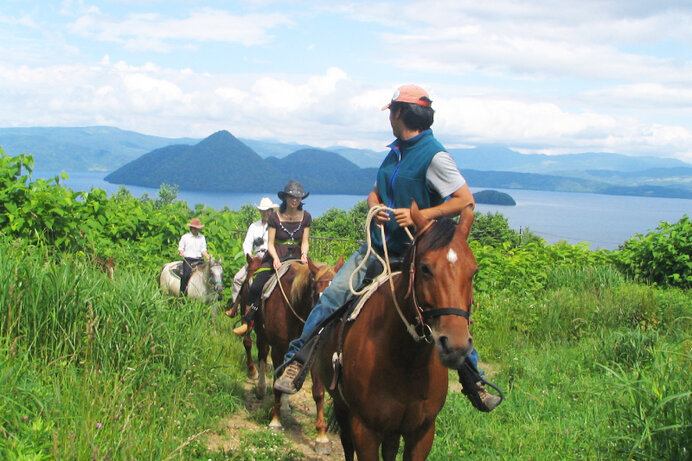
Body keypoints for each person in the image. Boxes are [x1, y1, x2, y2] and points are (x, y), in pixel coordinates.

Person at [273, 84, 501, 412]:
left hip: (415, 255)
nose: (389, 118)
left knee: (448, 310)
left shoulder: (434, 155)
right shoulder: (396, 151)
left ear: (398, 113)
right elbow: (376, 193)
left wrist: (419, 215)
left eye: (390, 112)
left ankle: (473, 378)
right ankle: (298, 359)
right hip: (377, 249)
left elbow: (465, 201)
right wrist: (374, 206)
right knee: (332, 296)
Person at [233, 180, 312, 336]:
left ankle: (316, 324)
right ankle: (248, 320)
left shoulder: (306, 217)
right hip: (277, 254)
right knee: (256, 285)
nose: (294, 200)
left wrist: (304, 254)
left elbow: (305, 241)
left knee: (315, 283)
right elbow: (270, 243)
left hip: (297, 256)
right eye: (291, 197)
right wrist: (275, 258)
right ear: (285, 198)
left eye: (297, 197)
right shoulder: (275, 217)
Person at [226, 197, 280, 317]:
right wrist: (248, 255)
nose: (265, 213)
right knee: (238, 278)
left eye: (268, 211)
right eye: (263, 211)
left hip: (271, 257)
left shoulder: (277, 226)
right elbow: (247, 243)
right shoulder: (253, 226)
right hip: (256, 257)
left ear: (272, 211)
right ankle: (236, 306)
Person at [178, 217, 211, 295]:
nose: (196, 230)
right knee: (186, 275)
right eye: (194, 228)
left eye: (197, 228)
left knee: (209, 273)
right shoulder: (185, 237)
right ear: (191, 228)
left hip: (199, 260)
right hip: (188, 260)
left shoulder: (202, 237)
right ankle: (182, 293)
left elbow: (203, 250)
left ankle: (213, 293)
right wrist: (181, 252)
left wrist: (207, 256)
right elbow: (180, 248)